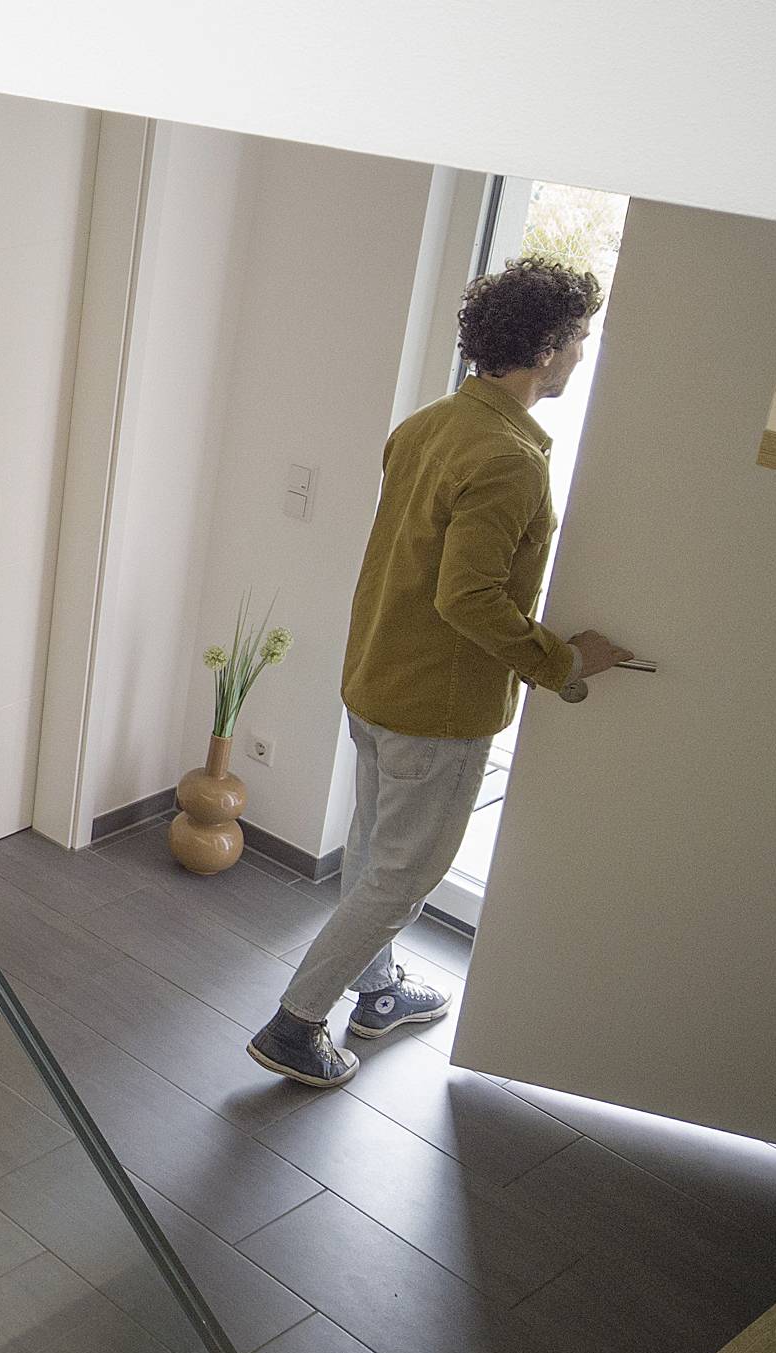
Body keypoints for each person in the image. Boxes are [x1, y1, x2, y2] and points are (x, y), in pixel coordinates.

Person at [247, 256, 631, 1087]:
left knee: (372, 853)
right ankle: (295, 1024)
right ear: (546, 349)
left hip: (377, 679)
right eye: (579, 340)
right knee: (402, 878)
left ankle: (378, 991)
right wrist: (562, 662)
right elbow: (468, 597)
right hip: (437, 709)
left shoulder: (426, 425)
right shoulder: (510, 460)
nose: (580, 355)